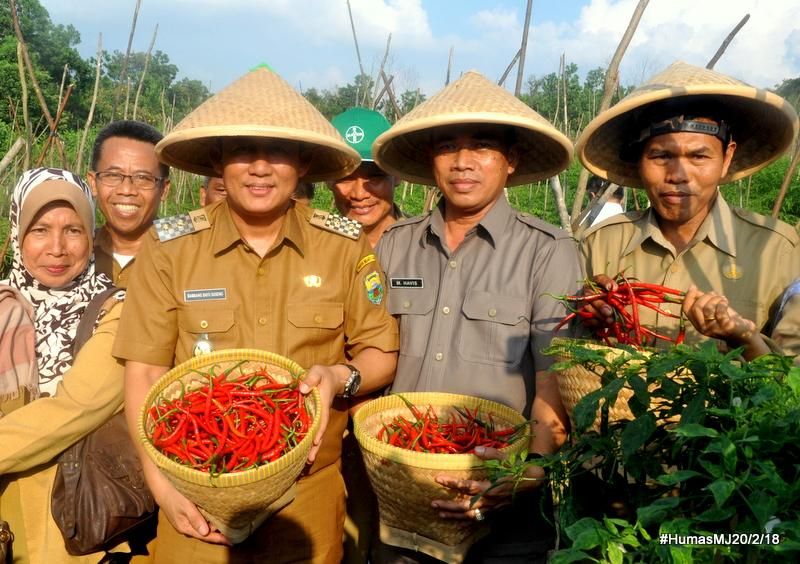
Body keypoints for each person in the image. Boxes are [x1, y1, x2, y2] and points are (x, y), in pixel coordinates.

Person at [113, 65, 399, 564]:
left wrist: (338, 377)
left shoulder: (343, 245)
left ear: (304, 162)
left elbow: (380, 352)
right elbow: (145, 371)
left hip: (306, 494)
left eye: (279, 152)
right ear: (220, 161)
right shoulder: (171, 248)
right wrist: (163, 488)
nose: (260, 168)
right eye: (244, 151)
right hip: (196, 487)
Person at [372, 70, 581, 563]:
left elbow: (555, 375)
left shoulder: (547, 250)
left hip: (501, 497)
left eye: (483, 146)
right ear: (431, 159)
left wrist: (525, 474)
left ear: (510, 160)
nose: (463, 162)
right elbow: (374, 347)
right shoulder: (397, 244)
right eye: (447, 147)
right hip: (404, 488)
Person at [574, 61, 800, 360]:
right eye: (661, 155)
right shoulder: (600, 244)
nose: (678, 174)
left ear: (727, 157)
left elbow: (791, 384)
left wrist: (742, 338)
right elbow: (567, 352)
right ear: (639, 161)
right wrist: (593, 317)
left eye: (698, 156)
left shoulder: (777, 249)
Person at [0, 168, 128, 563]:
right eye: (39, 230)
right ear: (17, 233)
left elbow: (76, 407)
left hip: (66, 523)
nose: (57, 248)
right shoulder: (4, 305)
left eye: (73, 230)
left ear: (92, 236)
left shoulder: (118, 311)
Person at [88, 120, 171, 289]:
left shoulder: (185, 255)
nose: (126, 190)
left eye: (143, 178)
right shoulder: (75, 254)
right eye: (112, 175)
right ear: (93, 183)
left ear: (164, 189)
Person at [330, 107, 402, 247]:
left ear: (397, 176)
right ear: (328, 180)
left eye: (375, 177)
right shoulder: (318, 243)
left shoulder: (422, 243)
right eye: (345, 177)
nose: (359, 194)